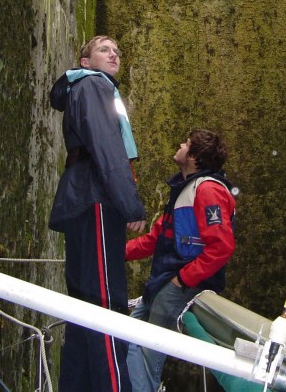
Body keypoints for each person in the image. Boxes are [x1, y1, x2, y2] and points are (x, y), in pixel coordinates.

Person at [49, 35, 146, 392]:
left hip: (82, 198)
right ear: (85, 61)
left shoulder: (87, 86)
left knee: (84, 306)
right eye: (104, 49)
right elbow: (108, 150)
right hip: (97, 198)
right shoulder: (94, 85)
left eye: (117, 50)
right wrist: (130, 204)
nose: (114, 54)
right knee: (107, 304)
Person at [126, 129, 236, 392]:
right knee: (125, 334)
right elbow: (157, 238)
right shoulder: (186, 190)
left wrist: (180, 280)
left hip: (177, 285)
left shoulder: (207, 191)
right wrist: (118, 252)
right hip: (164, 282)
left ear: (195, 156)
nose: (179, 145)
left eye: (185, 143)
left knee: (148, 353)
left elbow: (222, 247)